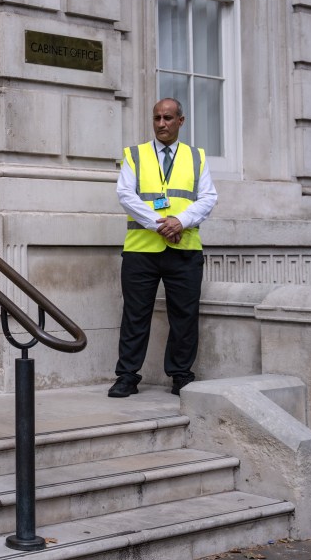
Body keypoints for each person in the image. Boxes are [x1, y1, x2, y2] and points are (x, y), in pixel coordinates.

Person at [108, 98, 217, 398]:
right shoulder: (135, 155)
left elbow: (208, 198)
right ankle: (127, 377)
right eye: (156, 118)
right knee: (135, 315)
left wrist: (180, 222)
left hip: (185, 250)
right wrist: (161, 224)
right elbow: (125, 195)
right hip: (141, 250)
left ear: (181, 121)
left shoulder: (197, 157)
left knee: (184, 316)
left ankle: (181, 376)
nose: (161, 124)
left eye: (168, 118)